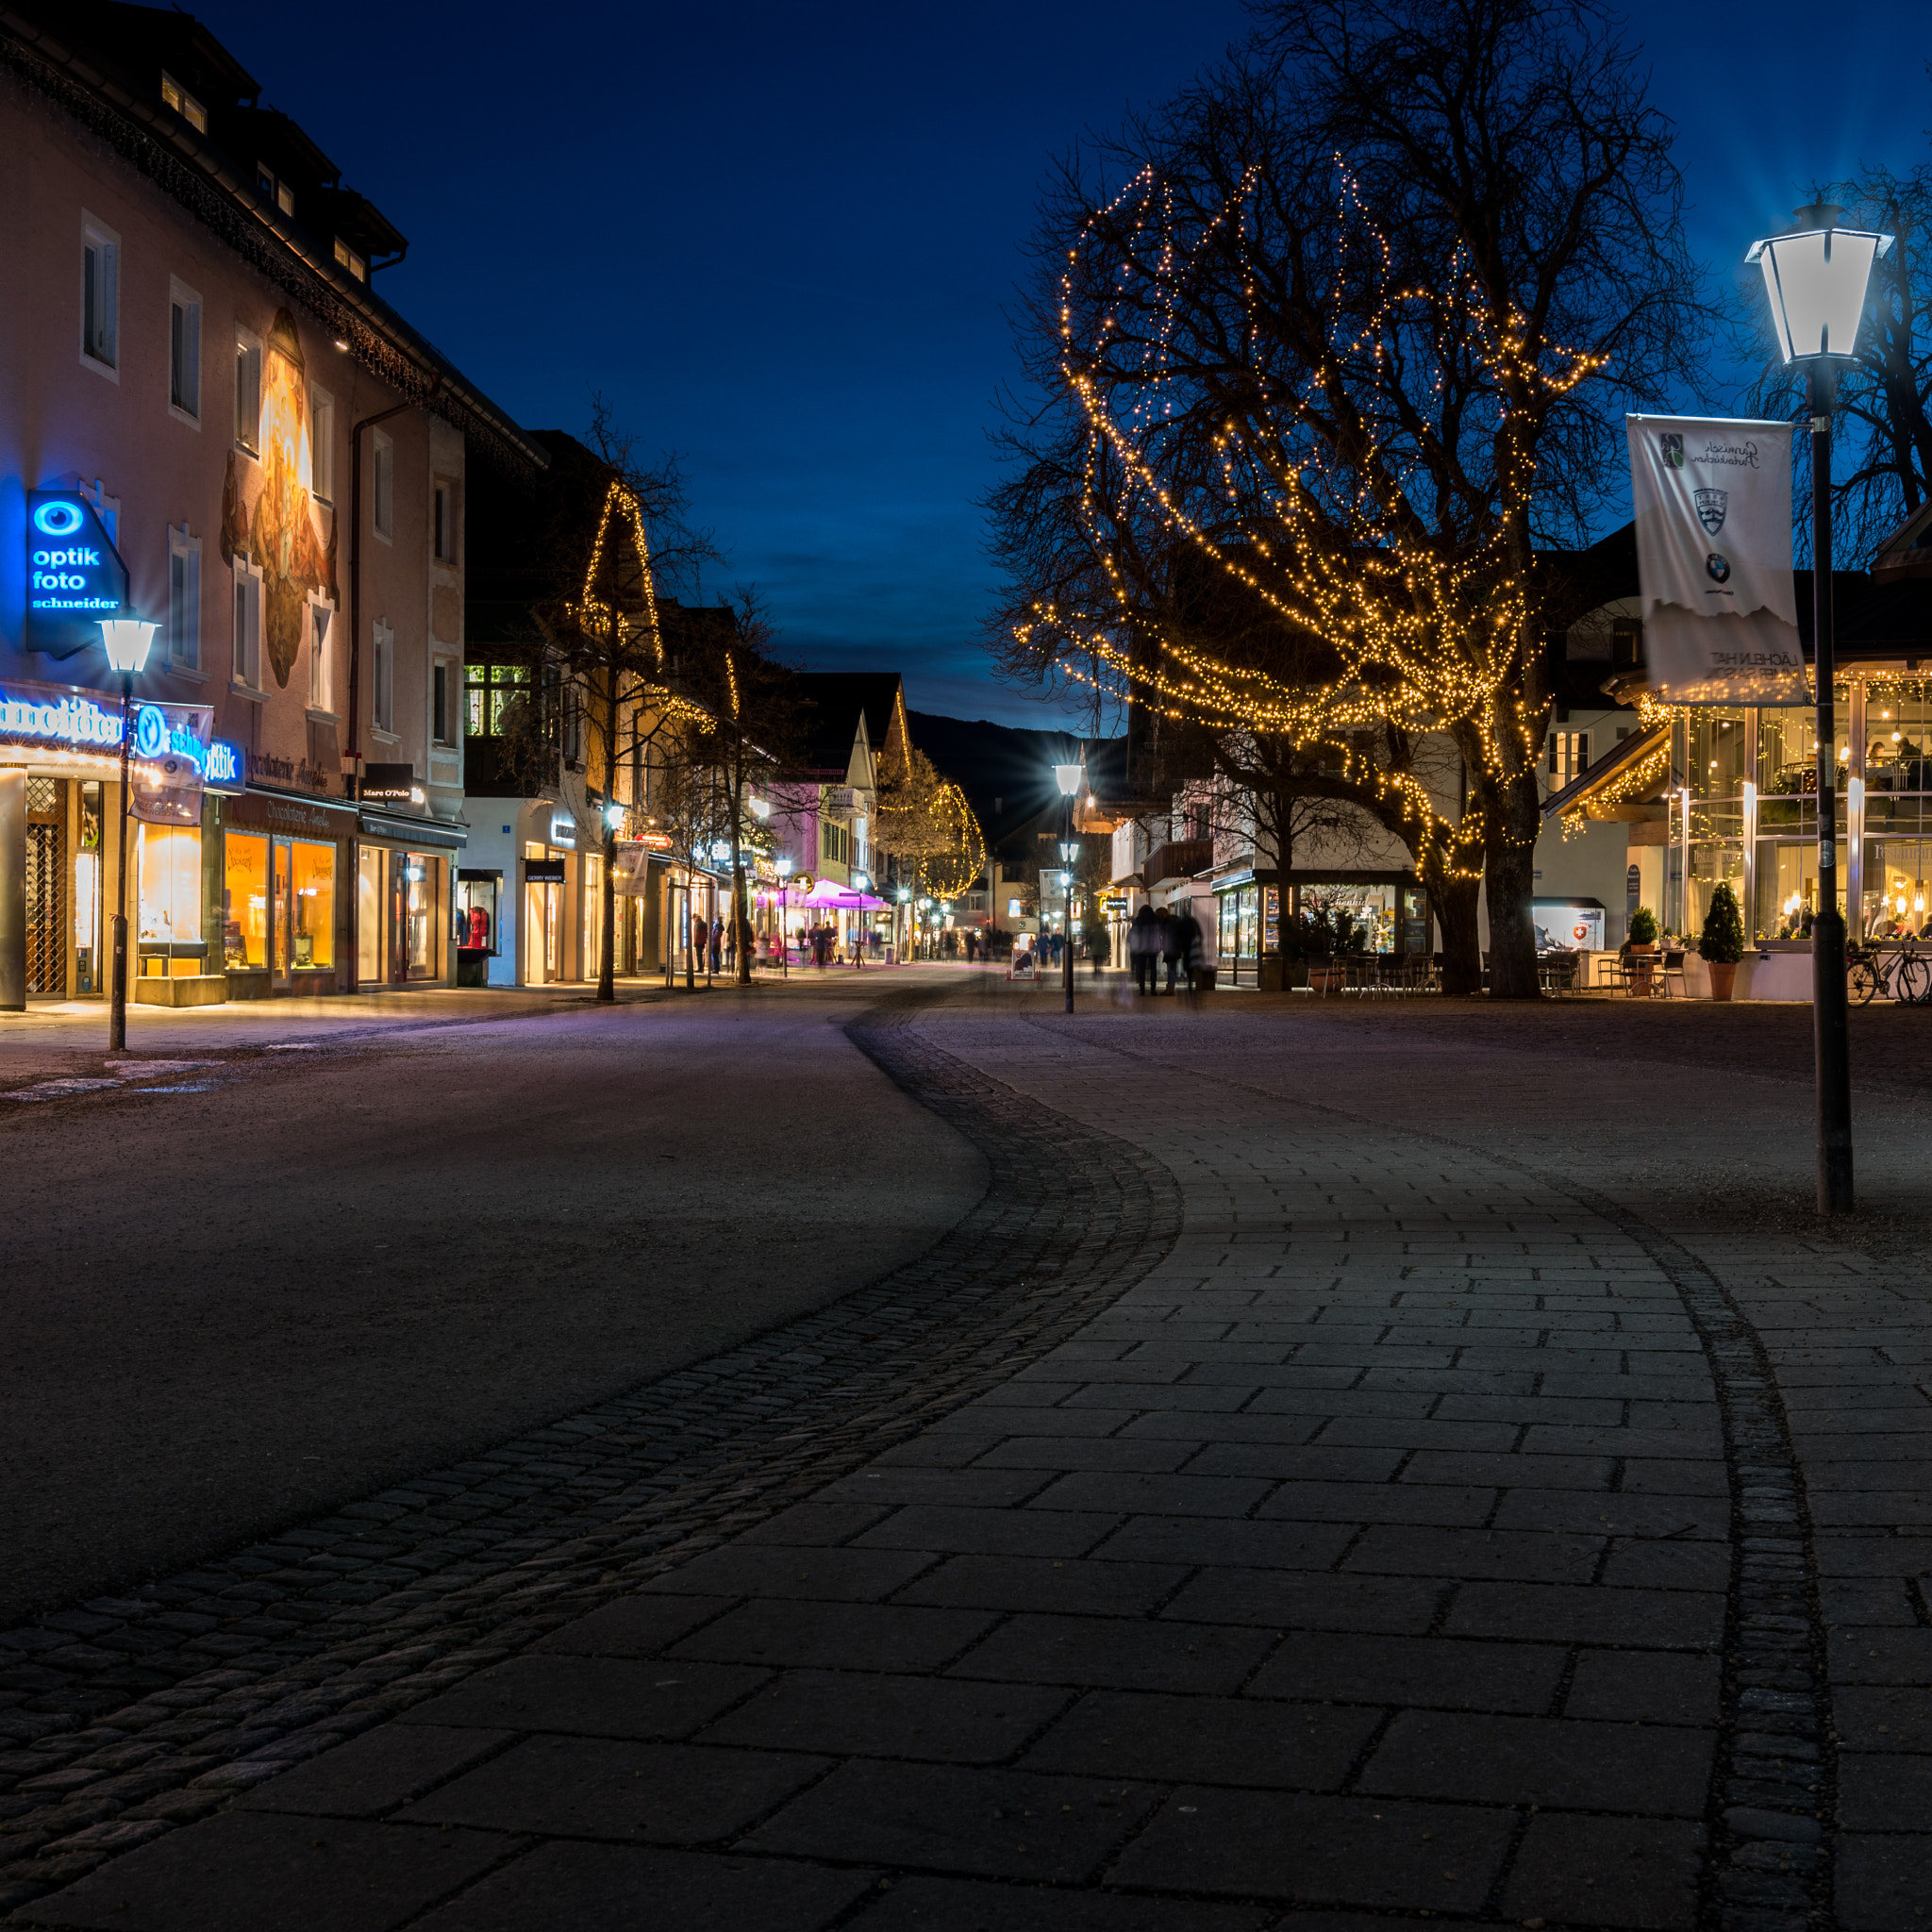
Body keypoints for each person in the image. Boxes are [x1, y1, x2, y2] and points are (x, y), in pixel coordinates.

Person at [1129, 903, 1158, 993]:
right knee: (1153, 968)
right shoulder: (1154, 919)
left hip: (1141, 947)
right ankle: (1153, 990)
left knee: (1141, 968)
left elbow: (1134, 933)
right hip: (1152, 947)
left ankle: (1142, 989)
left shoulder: (1138, 920)